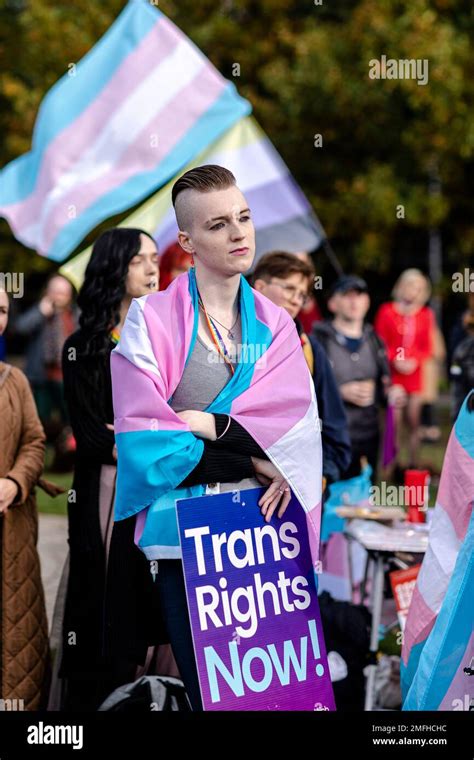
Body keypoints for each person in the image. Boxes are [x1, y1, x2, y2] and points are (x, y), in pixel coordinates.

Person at [107, 165, 323, 711]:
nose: (238, 233)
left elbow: (296, 436)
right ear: (187, 240)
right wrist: (249, 454)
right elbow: (147, 445)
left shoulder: (276, 326)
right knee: (210, 693)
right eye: (219, 224)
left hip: (261, 533)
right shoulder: (148, 321)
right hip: (180, 537)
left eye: (244, 218)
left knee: (270, 693)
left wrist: (206, 424)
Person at [57, 228, 160, 711]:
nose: (152, 267)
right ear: (115, 267)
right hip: (106, 489)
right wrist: (149, 439)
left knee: (154, 596)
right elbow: (92, 435)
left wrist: (136, 435)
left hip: (159, 487)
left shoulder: (166, 337)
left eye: (156, 257)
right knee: (103, 598)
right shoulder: (86, 346)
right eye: (140, 259)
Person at [251, 251, 351, 486]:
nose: (297, 300)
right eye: (289, 289)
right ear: (259, 286)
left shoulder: (310, 348)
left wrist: (321, 475)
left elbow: (334, 426)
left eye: (302, 295)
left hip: (298, 486)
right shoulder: (227, 341)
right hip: (237, 485)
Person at [0, 288, 50, 709]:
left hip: (11, 535)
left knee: (14, 642)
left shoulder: (14, 379)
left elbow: (35, 441)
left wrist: (16, 482)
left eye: (1, 309)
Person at [313, 275, 402, 480]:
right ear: (333, 304)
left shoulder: (375, 341)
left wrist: (390, 394)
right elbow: (301, 389)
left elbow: (384, 386)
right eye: (347, 295)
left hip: (369, 437)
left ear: (367, 302)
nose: (354, 301)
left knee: (364, 505)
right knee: (332, 505)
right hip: (329, 439)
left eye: (359, 295)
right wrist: (338, 392)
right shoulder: (317, 340)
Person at [374, 269, 436, 468]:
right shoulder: (387, 311)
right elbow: (379, 342)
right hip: (393, 375)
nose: (414, 292)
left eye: (419, 288)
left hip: (414, 375)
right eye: (410, 286)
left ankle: (413, 464)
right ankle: (391, 466)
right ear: (401, 286)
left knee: (414, 419)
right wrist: (394, 358)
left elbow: (427, 347)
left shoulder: (426, 315)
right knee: (394, 421)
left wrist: (415, 360)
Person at [14, 274, 77, 439]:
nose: (59, 296)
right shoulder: (40, 312)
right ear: (47, 292)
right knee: (39, 423)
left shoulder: (75, 315)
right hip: (40, 378)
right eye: (55, 291)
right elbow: (19, 328)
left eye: (63, 293)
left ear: (69, 296)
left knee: (71, 421)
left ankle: (65, 453)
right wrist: (40, 312)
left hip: (67, 378)